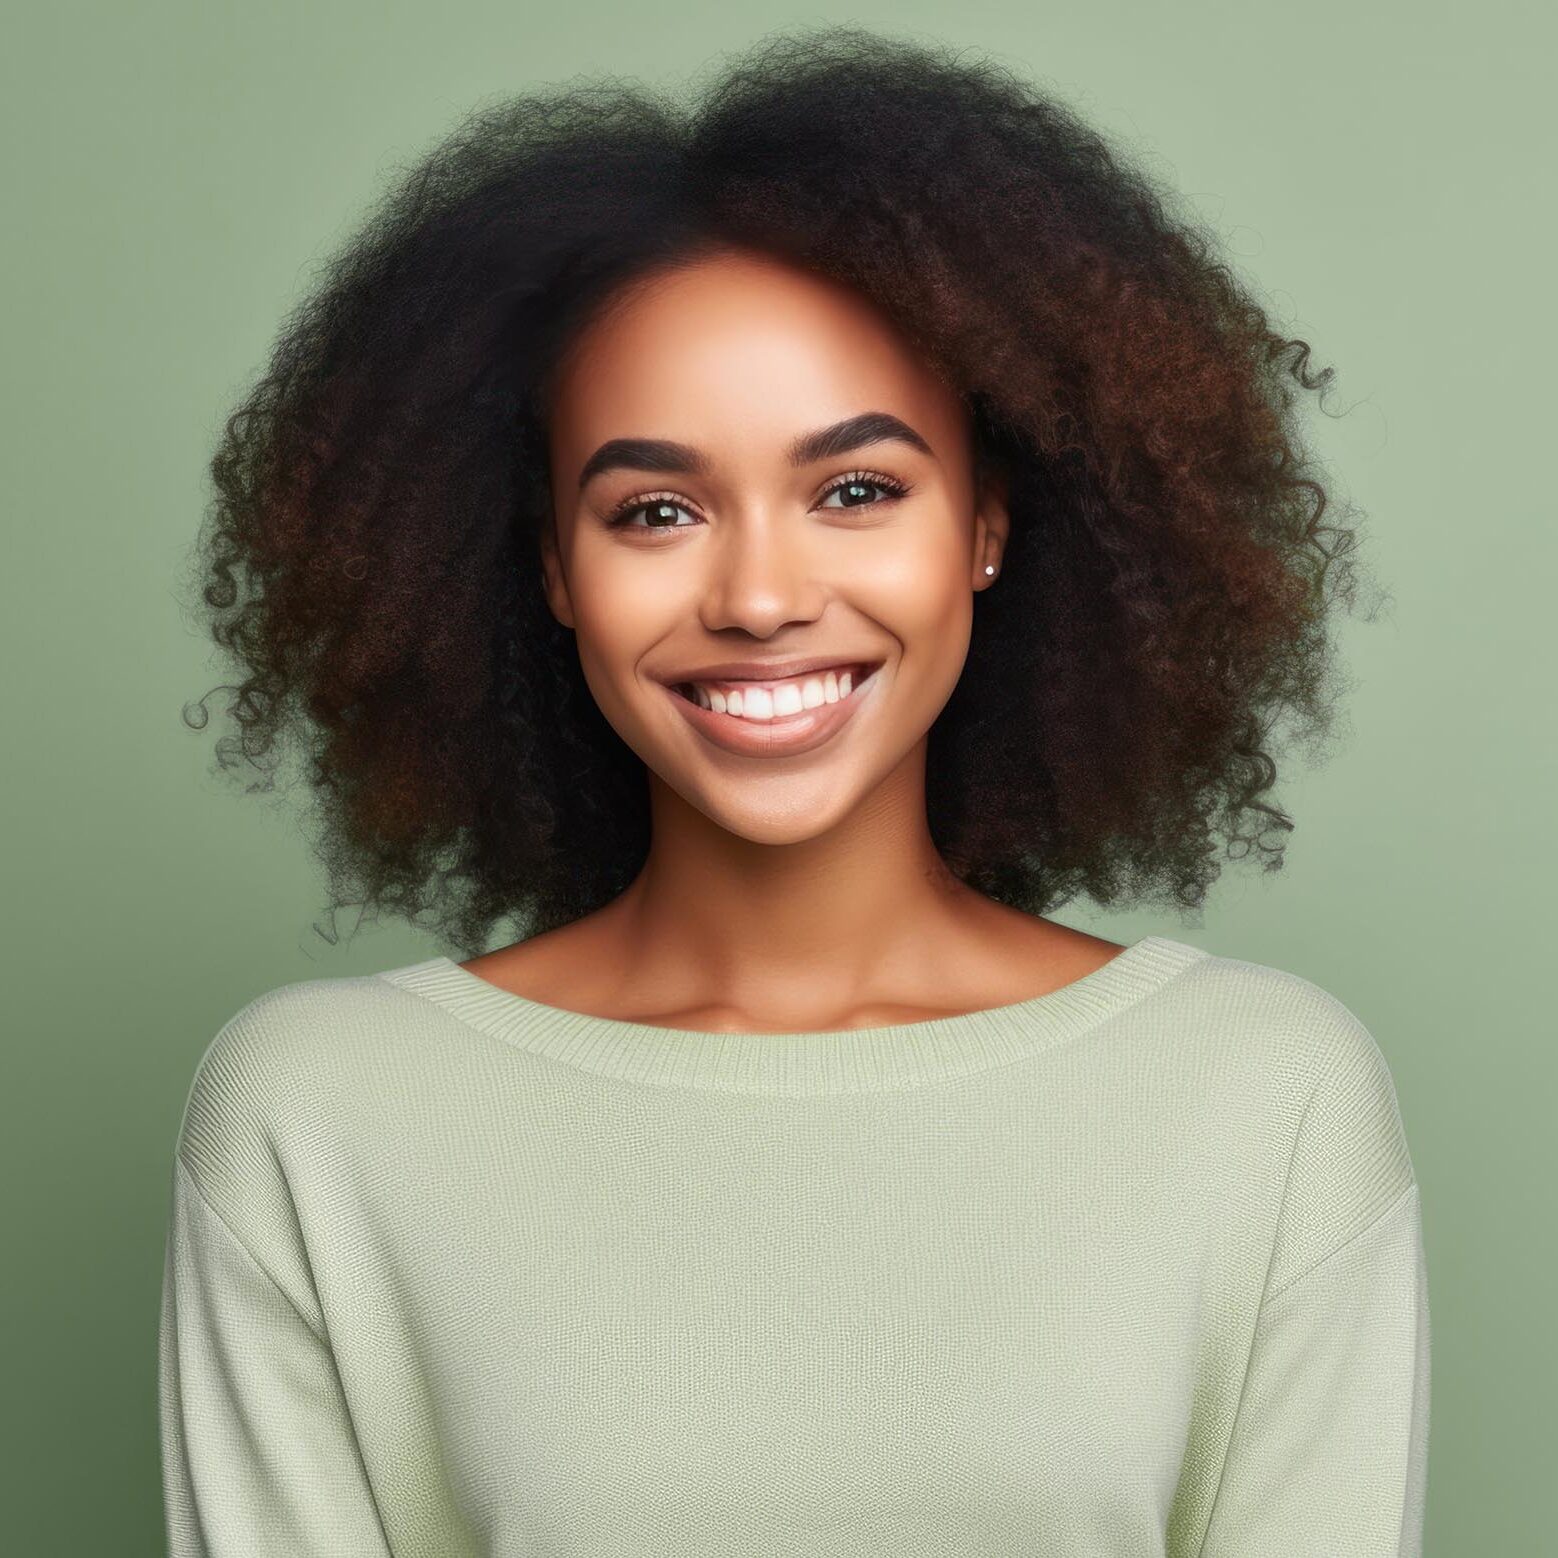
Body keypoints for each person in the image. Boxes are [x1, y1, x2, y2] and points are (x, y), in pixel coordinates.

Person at [158, 26, 1428, 1556]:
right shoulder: (321, 1114)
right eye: (656, 508)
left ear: (988, 526)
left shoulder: (1261, 1099)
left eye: (854, 490)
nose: (759, 594)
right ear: (554, 570)